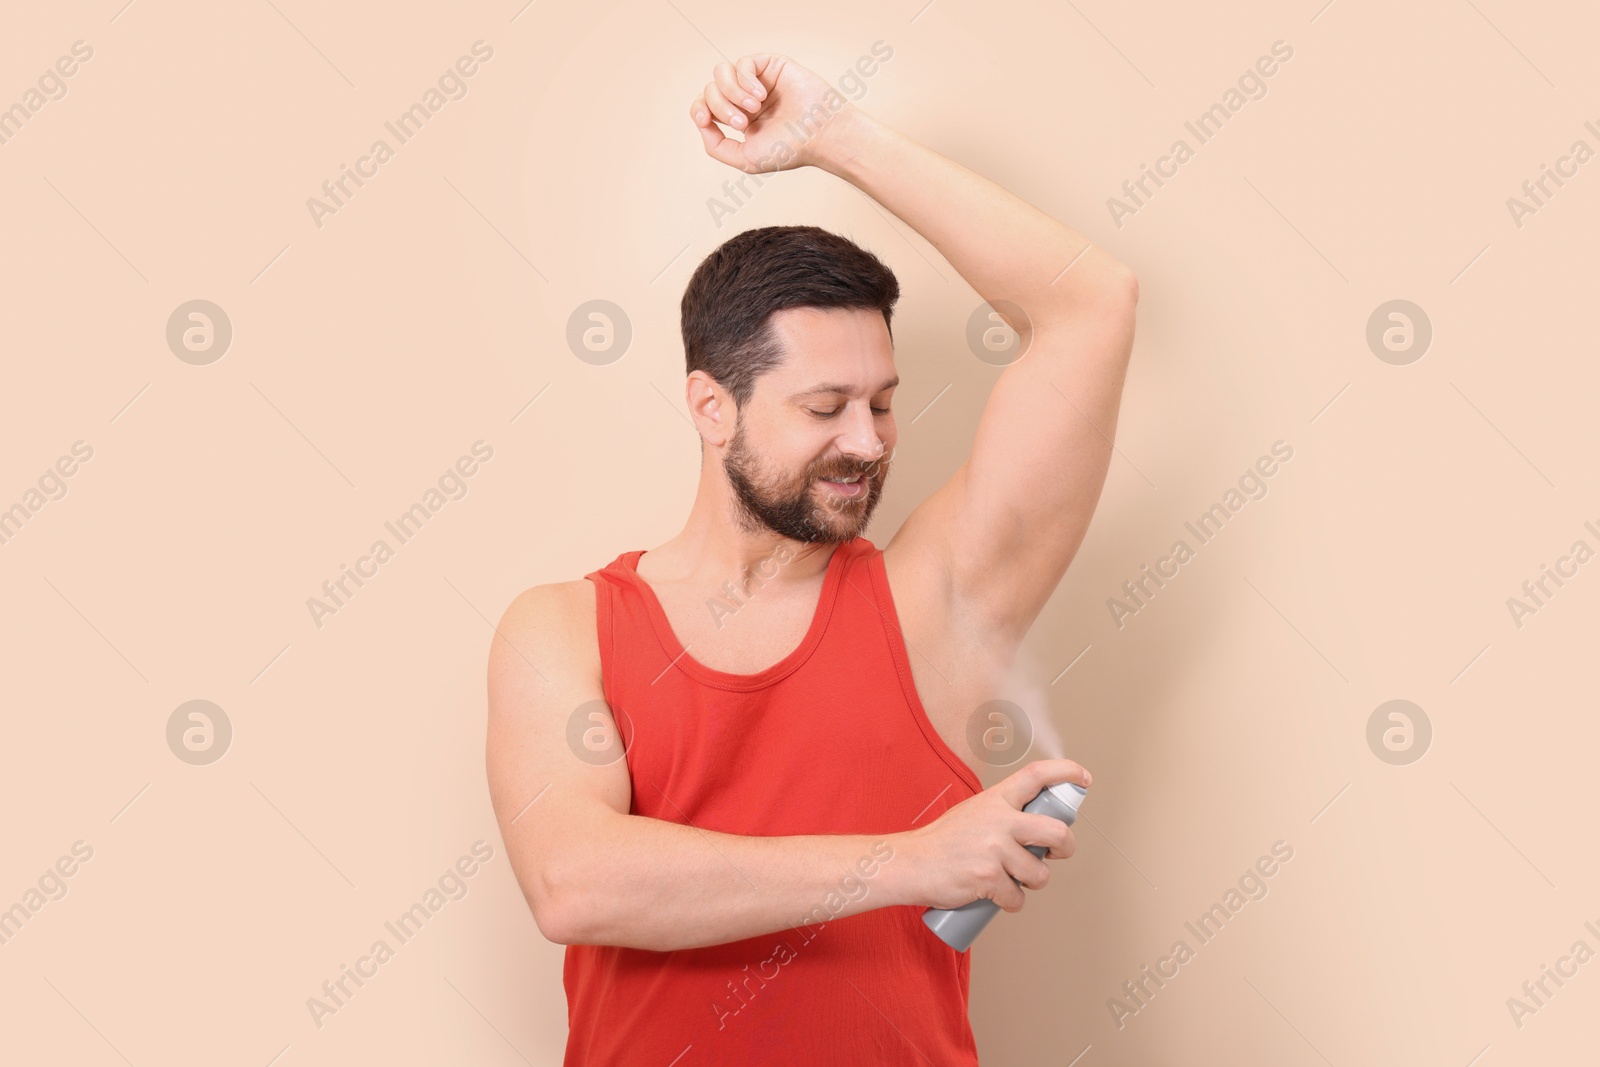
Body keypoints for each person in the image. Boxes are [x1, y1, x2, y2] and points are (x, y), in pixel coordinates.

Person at [486, 51, 1138, 1065]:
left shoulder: (937, 598)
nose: (869, 443)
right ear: (712, 406)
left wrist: (833, 137)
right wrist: (912, 861)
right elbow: (574, 880)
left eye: (880, 403)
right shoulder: (562, 628)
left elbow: (1089, 304)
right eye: (824, 409)